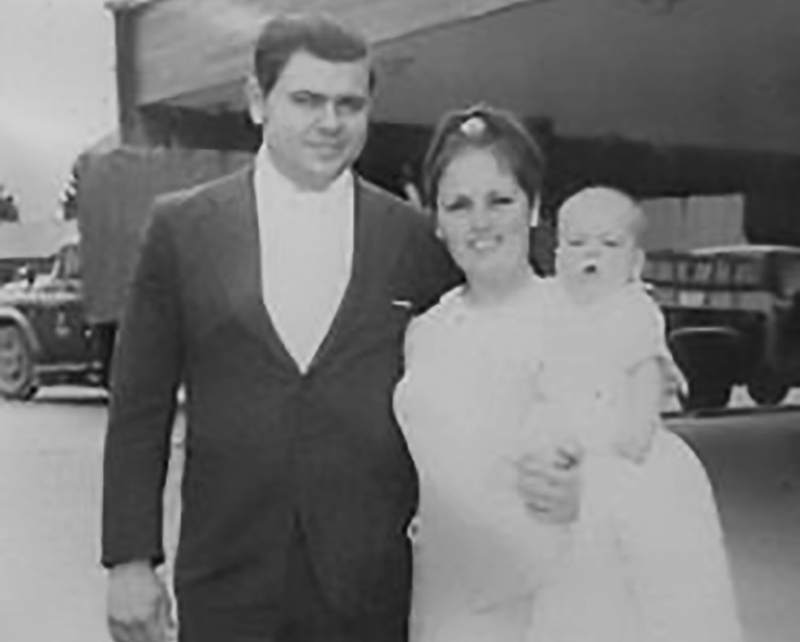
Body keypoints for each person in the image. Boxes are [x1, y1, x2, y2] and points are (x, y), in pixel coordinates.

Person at [101, 15, 581, 642]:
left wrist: (580, 449)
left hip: (370, 587)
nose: (330, 122)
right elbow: (140, 403)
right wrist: (129, 559)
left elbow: (499, 351)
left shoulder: (411, 236)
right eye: (306, 100)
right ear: (256, 102)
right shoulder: (182, 230)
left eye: (349, 103)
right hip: (228, 582)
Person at [394, 108, 743, 642]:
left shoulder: (593, 318)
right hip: (451, 609)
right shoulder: (423, 333)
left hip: (565, 604)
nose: (480, 223)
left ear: (534, 208)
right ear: (436, 221)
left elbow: (664, 469)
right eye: (459, 205)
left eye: (501, 200)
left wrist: (591, 492)